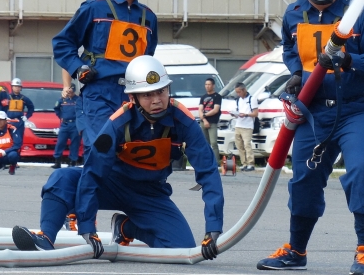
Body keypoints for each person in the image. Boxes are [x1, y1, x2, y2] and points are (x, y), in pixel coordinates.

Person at [256, 0, 364, 275]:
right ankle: (296, 250)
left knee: (362, 170)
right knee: (304, 179)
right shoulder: (293, 15)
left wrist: (350, 60)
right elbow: (292, 52)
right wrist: (295, 75)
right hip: (314, 111)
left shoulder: (363, 12)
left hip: (359, 109)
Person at [12, 55, 224, 262]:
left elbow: (208, 170)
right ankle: (45, 238)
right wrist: (88, 227)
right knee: (61, 179)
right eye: (147, 95)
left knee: (182, 249)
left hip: (150, 193)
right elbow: (93, 172)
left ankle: (125, 227)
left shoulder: (183, 120)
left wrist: (213, 228)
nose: (157, 100)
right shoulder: (117, 123)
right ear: (133, 98)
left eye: (161, 91)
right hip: (110, 185)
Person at [52, 0, 158, 159]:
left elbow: (148, 59)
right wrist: (78, 68)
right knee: (100, 153)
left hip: (134, 96)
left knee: (130, 157)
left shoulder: (149, 18)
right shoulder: (94, 8)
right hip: (99, 94)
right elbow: (63, 43)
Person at [232, 82, 258, 172]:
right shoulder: (238, 100)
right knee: (239, 145)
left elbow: (255, 113)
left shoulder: (252, 99)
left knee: (247, 144)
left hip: (248, 126)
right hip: (238, 124)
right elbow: (238, 112)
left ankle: (251, 163)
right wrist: (235, 114)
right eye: (237, 92)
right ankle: (244, 163)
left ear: (244, 90)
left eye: (239, 92)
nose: (238, 94)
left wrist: (246, 115)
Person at [52, 83, 80, 169]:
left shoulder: (78, 100)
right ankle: (57, 161)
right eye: (68, 91)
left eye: (71, 91)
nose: (69, 92)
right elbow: (56, 108)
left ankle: (72, 161)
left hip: (75, 124)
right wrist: (61, 116)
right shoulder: (62, 100)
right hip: (65, 124)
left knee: (75, 143)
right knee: (60, 142)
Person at [198, 77, 222, 163]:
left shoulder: (217, 96)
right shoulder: (203, 97)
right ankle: (206, 161)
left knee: (214, 143)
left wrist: (205, 115)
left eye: (209, 84)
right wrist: (204, 119)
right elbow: (200, 109)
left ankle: (216, 161)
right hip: (203, 122)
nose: (207, 86)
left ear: (213, 86)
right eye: (206, 84)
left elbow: (215, 110)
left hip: (213, 122)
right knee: (205, 143)